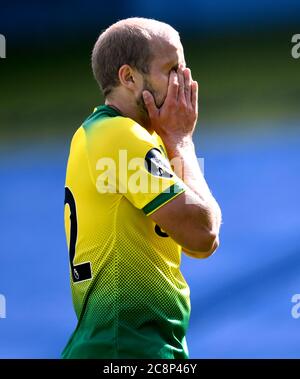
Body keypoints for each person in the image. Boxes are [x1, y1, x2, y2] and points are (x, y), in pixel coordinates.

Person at [62, 17, 222, 359]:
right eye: (172, 69)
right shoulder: (119, 136)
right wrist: (182, 140)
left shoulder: (131, 137)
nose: (185, 82)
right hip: (126, 348)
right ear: (129, 77)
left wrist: (173, 140)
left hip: (132, 346)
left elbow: (200, 242)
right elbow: (202, 233)